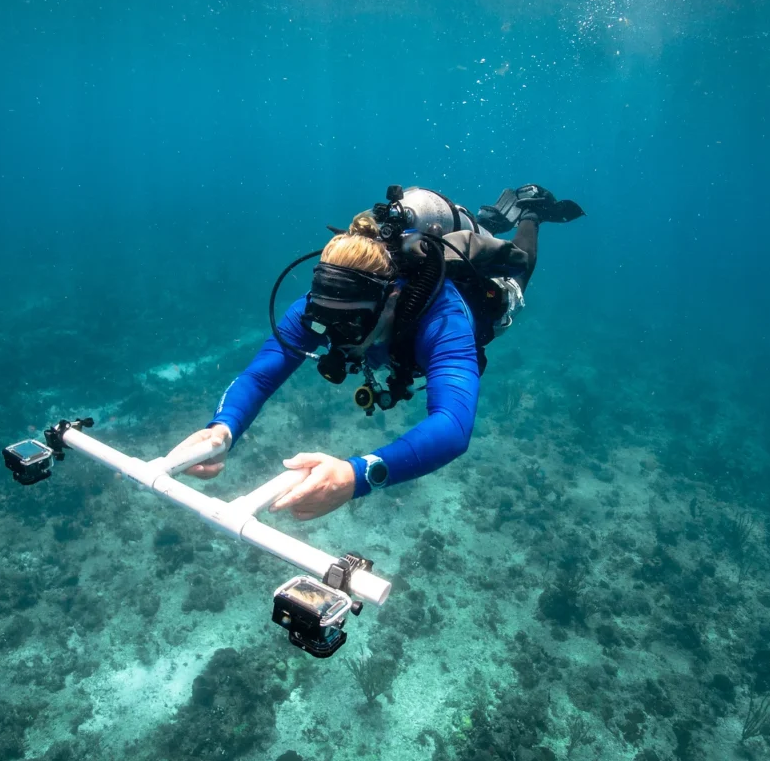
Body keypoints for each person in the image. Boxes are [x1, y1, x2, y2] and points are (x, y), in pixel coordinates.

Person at [169, 185, 583, 521]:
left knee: (519, 274)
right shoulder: (328, 302)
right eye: (322, 318)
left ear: (391, 300)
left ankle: (529, 211)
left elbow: (453, 426)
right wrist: (222, 428)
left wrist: (356, 475)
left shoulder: (443, 321)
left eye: (349, 325)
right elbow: (259, 376)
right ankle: (484, 222)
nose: (333, 335)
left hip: (479, 300)